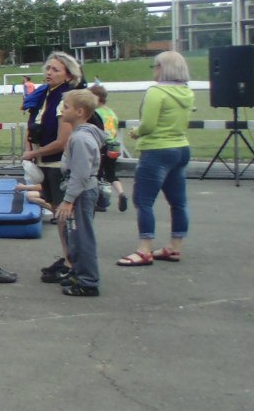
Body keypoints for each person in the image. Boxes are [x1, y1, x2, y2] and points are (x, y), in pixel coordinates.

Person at [118, 51, 193, 266]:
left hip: (157, 149)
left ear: (162, 67)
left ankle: (144, 249)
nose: (154, 70)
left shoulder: (155, 92)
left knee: (143, 201)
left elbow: (149, 124)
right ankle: (175, 246)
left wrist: (136, 132)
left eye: (155, 66)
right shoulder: (186, 92)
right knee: (178, 202)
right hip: (180, 147)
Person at [22, 52, 83, 280]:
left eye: (55, 70)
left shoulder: (65, 99)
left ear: (68, 74)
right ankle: (68, 257)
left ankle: (71, 262)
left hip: (59, 164)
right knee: (58, 211)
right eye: (48, 68)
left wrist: (33, 152)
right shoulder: (46, 95)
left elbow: (63, 141)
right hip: (47, 162)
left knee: (65, 214)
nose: (49, 73)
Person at [54, 89, 104, 296]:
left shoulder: (81, 139)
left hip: (81, 193)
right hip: (80, 192)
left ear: (80, 112)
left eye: (66, 107)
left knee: (82, 236)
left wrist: (68, 200)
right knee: (73, 235)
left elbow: (80, 173)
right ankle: (78, 272)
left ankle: (88, 282)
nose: (62, 110)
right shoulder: (81, 135)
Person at [89, 85, 127, 212]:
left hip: (102, 145)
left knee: (97, 173)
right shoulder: (111, 113)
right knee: (111, 174)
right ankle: (121, 192)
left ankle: (100, 201)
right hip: (114, 144)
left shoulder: (96, 113)